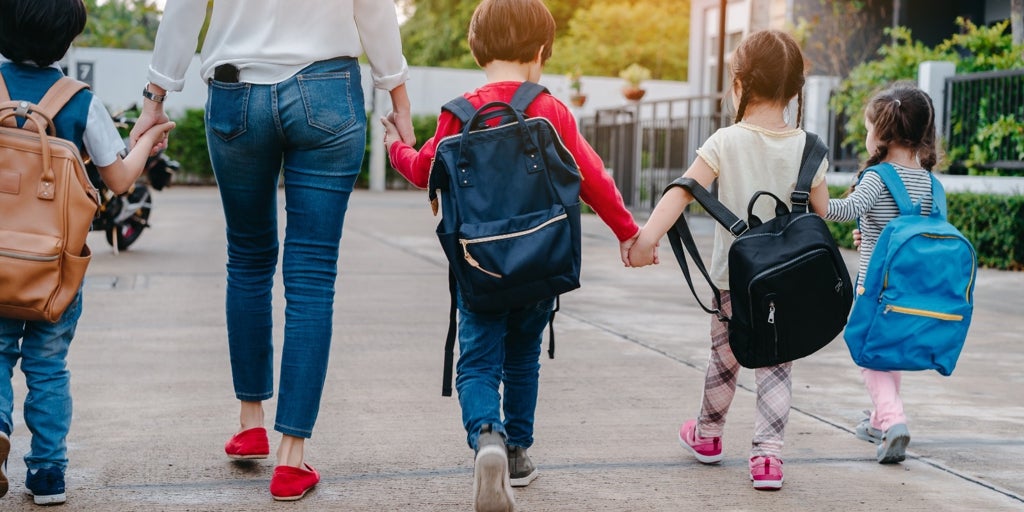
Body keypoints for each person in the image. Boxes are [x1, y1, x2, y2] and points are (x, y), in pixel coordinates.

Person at [129, 0, 415, 501]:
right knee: (311, 275)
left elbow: (184, 9)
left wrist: (155, 98)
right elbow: (373, 10)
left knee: (248, 258)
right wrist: (398, 97)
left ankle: (250, 422)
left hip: (236, 92)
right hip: (328, 91)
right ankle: (291, 458)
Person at [381, 0, 639, 509]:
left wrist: (395, 144)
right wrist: (627, 233)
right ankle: (518, 453)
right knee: (524, 356)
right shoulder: (549, 109)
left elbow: (420, 170)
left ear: (477, 50)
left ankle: (487, 438)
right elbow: (593, 177)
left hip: (480, 268)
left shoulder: (457, 114)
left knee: (477, 362)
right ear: (541, 52)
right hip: (541, 264)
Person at [627, 29, 829, 491]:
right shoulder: (810, 148)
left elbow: (683, 190)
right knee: (778, 362)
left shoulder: (724, 140)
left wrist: (646, 239)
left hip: (733, 282)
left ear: (738, 84)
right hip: (789, 284)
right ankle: (768, 459)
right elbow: (822, 214)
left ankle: (709, 436)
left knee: (724, 359)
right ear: (797, 89)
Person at [0, 0, 175, 505]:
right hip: (53, 269)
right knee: (48, 368)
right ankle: (48, 474)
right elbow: (119, 179)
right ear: (67, 41)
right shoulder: (79, 101)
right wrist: (149, 140)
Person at [824, 82, 939, 464]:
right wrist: (870, 232)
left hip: (874, 287)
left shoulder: (876, 177)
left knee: (868, 353)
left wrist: (814, 190)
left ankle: (893, 419)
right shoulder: (929, 181)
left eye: (868, 127)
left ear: (881, 133)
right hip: (912, 288)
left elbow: (842, 211)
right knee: (888, 351)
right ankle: (878, 419)